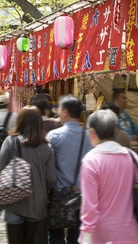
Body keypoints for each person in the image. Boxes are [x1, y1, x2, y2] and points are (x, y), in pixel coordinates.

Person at [79, 110, 138, 243]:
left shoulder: (91, 161)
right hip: (130, 235)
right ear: (114, 131)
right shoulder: (130, 155)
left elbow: (90, 205)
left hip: (101, 237)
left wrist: (87, 235)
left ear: (93, 132)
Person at [0, 106, 56, 244]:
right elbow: (51, 179)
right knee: (29, 240)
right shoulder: (46, 147)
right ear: (39, 123)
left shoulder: (11, 141)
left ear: (20, 121)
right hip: (36, 204)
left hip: (13, 200)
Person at [46, 95, 92, 244]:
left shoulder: (54, 136)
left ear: (65, 111)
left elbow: (49, 168)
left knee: (56, 236)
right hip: (81, 195)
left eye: (58, 108)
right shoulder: (89, 137)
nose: (57, 112)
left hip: (58, 194)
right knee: (76, 237)